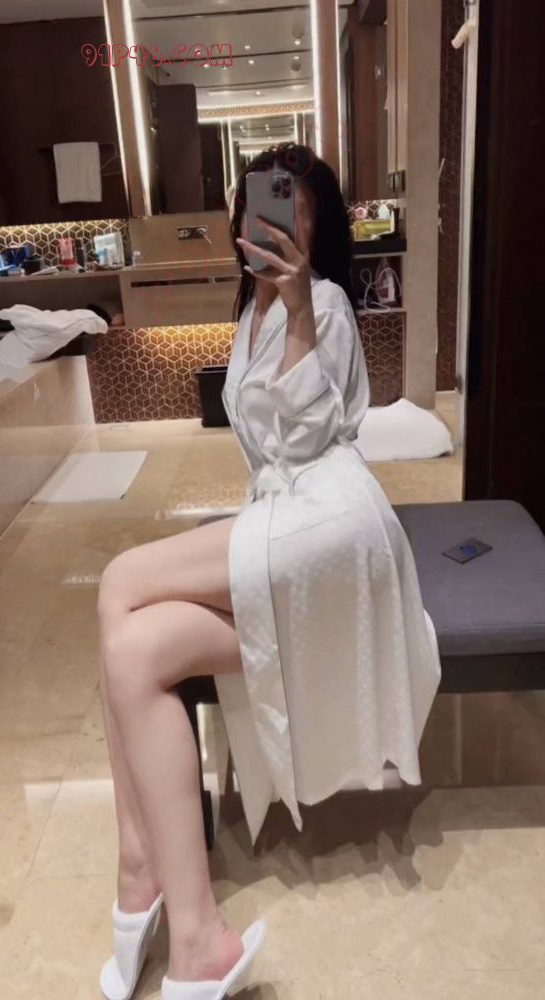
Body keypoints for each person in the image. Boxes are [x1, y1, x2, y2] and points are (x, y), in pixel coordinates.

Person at [97, 143, 441, 1000]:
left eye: (295, 212)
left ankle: (137, 864)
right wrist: (272, 310)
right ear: (239, 216)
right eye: (258, 207)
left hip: (334, 523)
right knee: (135, 651)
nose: (273, 225)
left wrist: (298, 317)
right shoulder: (246, 310)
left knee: (118, 582)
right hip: (283, 521)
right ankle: (196, 941)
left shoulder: (323, 303)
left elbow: (319, 436)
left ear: (317, 230)